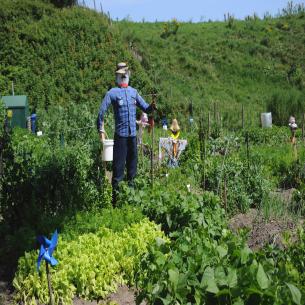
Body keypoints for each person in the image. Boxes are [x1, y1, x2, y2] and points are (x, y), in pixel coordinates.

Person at [97, 62, 156, 205]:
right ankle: (115, 203)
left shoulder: (133, 92)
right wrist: (101, 128)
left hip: (132, 137)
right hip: (121, 137)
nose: (123, 76)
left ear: (128, 76)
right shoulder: (112, 93)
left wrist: (152, 106)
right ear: (117, 76)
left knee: (132, 169)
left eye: (125, 74)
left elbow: (146, 108)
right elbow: (101, 112)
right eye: (121, 74)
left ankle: (131, 201)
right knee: (118, 171)